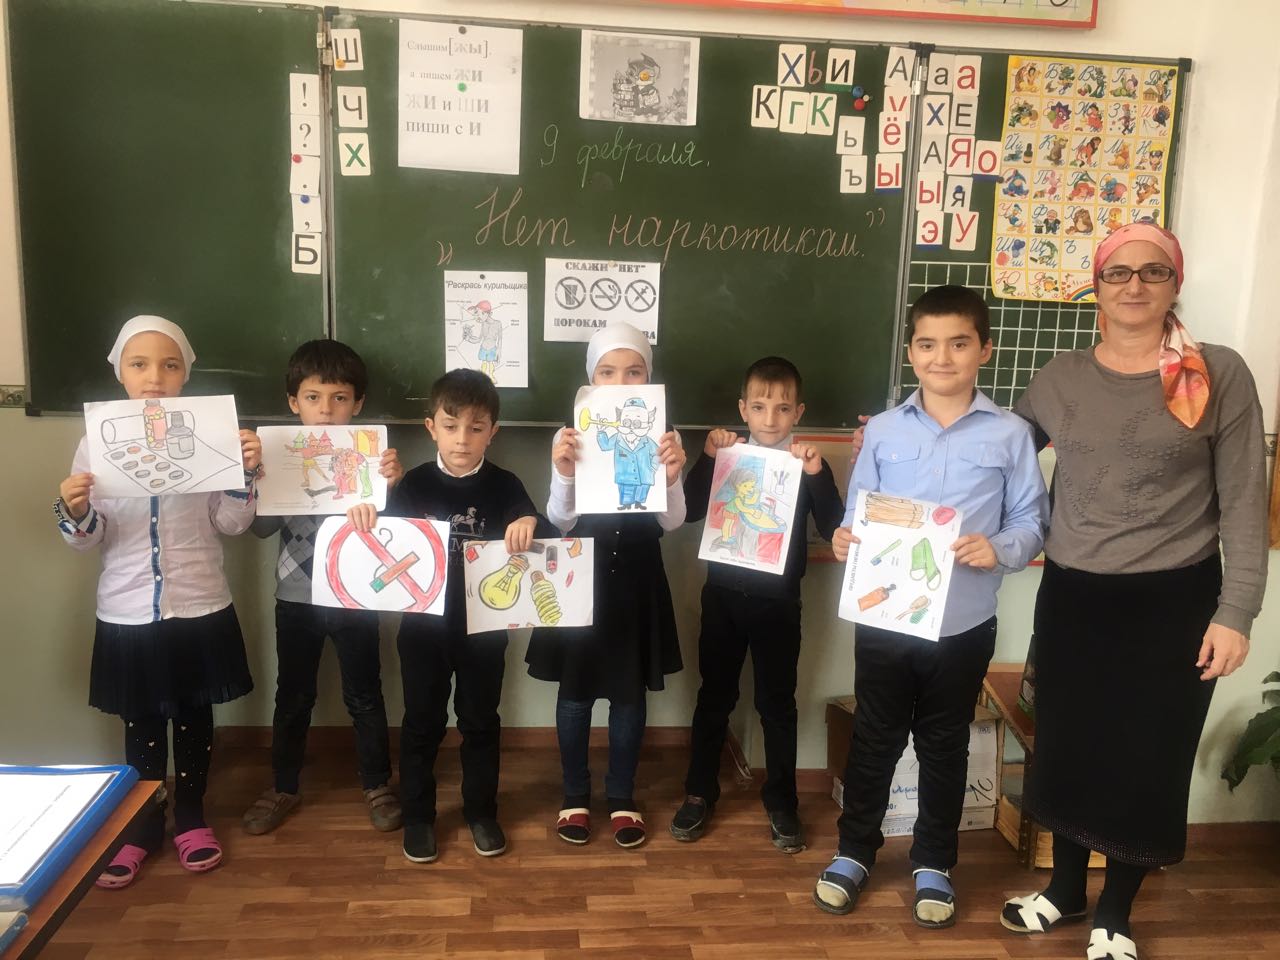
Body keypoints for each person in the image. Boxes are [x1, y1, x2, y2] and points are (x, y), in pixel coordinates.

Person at [1000, 223, 1267, 960]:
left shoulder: (1217, 374)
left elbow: (1246, 501)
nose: (1135, 285)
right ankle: (1064, 890)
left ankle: (1115, 911)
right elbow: (994, 458)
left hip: (1173, 601)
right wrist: (898, 443)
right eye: (1118, 273)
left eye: (1154, 271)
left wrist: (1237, 612)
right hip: (1074, 596)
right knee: (1068, 747)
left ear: (1176, 283)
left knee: (1145, 758)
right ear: (1096, 286)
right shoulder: (1058, 378)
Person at [813, 286, 1049, 928]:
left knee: (945, 745)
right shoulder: (884, 431)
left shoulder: (1011, 435)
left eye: (958, 343)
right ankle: (854, 851)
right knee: (875, 737)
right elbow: (859, 512)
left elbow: (1032, 521)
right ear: (911, 352)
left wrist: (998, 547)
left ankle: (935, 862)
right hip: (887, 618)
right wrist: (844, 538)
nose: (942, 357)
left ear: (985, 349)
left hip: (963, 623)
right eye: (927, 344)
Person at [55, 315, 262, 887]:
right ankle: (143, 824)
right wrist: (75, 510)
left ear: (185, 374)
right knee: (141, 721)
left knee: (194, 717)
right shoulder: (94, 441)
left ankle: (191, 815)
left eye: (170, 365)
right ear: (120, 373)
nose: (154, 377)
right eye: (139, 364)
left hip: (198, 602)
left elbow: (230, 523)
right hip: (127, 609)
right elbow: (89, 539)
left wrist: (244, 477)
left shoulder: (210, 436)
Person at [671, 357, 844, 852]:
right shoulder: (728, 456)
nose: (771, 418)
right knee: (714, 698)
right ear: (743, 409)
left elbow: (833, 524)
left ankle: (782, 802)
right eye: (761, 406)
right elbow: (691, 511)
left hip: (779, 605)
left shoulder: (805, 465)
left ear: (798, 413)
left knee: (777, 705)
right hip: (723, 599)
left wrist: (815, 473)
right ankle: (699, 792)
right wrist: (708, 457)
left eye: (783, 408)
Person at [527, 321, 687, 848]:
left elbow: (672, 522)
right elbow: (560, 519)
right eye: (607, 372)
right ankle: (574, 794)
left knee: (628, 697)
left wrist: (672, 477)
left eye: (634, 372)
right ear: (590, 379)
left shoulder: (664, 435)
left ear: (649, 378)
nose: (620, 382)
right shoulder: (572, 433)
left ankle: (621, 796)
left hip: (637, 581)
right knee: (575, 694)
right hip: (579, 576)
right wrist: (564, 471)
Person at [242, 340, 404, 837]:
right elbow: (260, 531)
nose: (327, 410)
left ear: (358, 403)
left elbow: (394, 534)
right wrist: (257, 480)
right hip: (296, 597)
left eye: (340, 398)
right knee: (293, 696)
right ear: (294, 402)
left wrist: (391, 488)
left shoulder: (371, 459)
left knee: (365, 695)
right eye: (313, 398)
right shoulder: (278, 457)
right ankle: (283, 785)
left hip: (356, 595)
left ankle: (377, 783)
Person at [382, 368, 543, 863]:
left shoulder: (506, 485)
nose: (462, 439)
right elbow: (383, 546)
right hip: (423, 630)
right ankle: (419, 817)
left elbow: (539, 529)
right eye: (451, 426)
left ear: (493, 432)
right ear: (431, 427)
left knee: (480, 722)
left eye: (476, 428)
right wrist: (374, 505)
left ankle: (481, 813)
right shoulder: (412, 484)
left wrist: (529, 520)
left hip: (484, 632)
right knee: (421, 723)